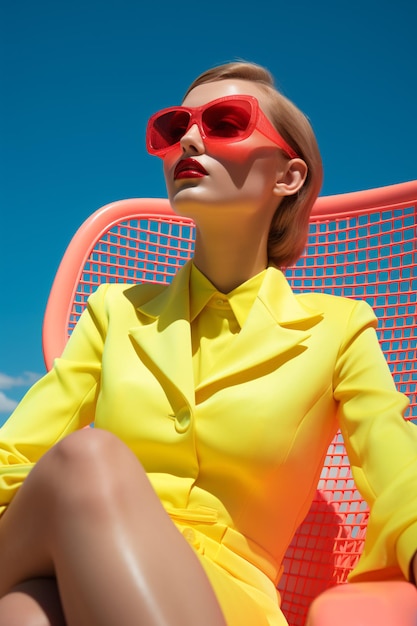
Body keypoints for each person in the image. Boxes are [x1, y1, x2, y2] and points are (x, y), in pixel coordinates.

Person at [0, 60, 416, 626]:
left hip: (227, 599)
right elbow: (16, 460)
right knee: (78, 479)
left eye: (226, 121)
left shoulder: (339, 329)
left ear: (288, 177)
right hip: (68, 553)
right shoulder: (113, 312)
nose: (189, 139)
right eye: (174, 128)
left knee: (27, 609)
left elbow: (401, 472)